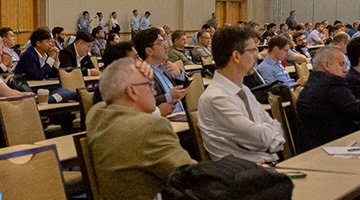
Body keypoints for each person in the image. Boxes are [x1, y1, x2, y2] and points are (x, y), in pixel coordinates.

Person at [87, 57, 194, 200]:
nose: (154, 92)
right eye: (149, 85)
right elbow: (192, 177)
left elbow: (102, 104)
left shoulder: (96, 117)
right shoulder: (150, 127)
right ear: (132, 91)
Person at [198, 26, 285, 163]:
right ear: (236, 56)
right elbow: (260, 139)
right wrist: (269, 135)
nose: (257, 56)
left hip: (264, 168)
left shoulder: (243, 90)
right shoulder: (216, 98)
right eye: (252, 50)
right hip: (242, 176)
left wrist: (268, 134)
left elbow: (276, 126)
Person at [134, 28, 187, 115]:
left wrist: (179, 74)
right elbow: (142, 104)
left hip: (181, 116)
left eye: (165, 42)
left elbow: (183, 90)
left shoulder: (165, 68)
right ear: (149, 51)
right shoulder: (142, 75)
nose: (167, 46)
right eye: (161, 43)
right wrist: (169, 96)